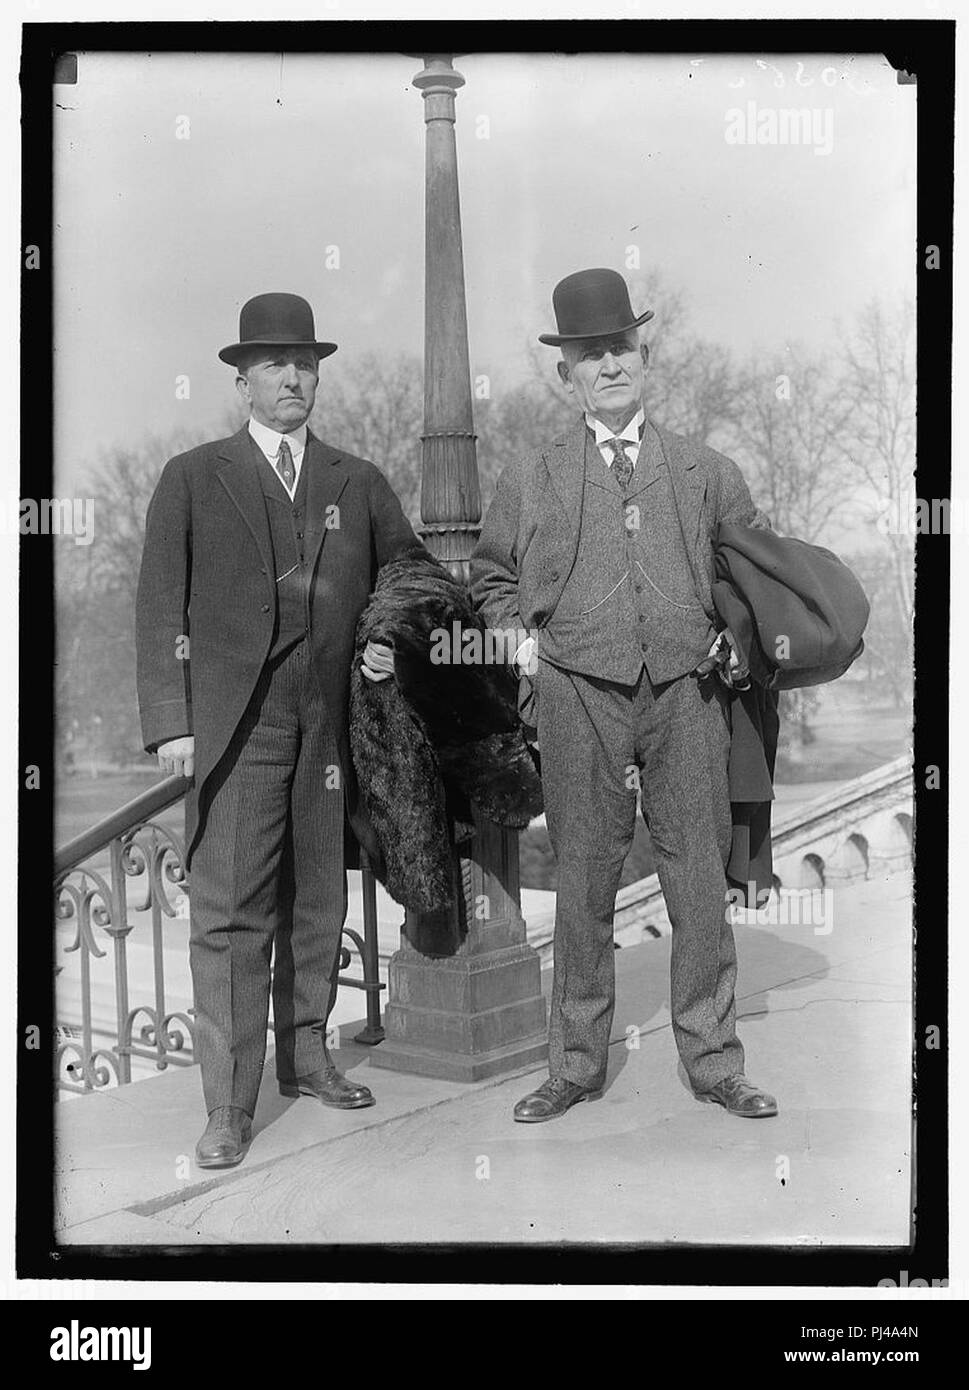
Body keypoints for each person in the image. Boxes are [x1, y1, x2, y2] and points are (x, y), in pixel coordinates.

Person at [471, 267, 779, 1123]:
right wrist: (520, 646)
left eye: (621, 347)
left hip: (687, 694)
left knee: (696, 880)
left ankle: (715, 1061)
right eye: (588, 353)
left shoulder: (704, 469)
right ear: (563, 372)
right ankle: (573, 1064)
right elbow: (491, 575)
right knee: (583, 880)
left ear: (643, 355)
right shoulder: (532, 474)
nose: (608, 364)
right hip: (577, 695)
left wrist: (733, 641)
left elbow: (755, 578)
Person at [136, 292, 420, 1167]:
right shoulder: (193, 475)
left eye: (304, 363)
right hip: (235, 725)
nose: (292, 377)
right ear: (241, 381)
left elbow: (407, 574)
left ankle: (306, 1059)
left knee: (316, 902)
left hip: (327, 725)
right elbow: (156, 606)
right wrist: (171, 724)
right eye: (272, 364)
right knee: (227, 917)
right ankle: (228, 1106)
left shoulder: (355, 479)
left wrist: (382, 640)